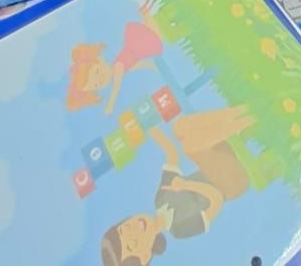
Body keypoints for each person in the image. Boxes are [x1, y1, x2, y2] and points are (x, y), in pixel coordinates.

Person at [100, 107, 256, 263]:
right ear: (145, 256)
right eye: (132, 244)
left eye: (125, 228)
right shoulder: (179, 229)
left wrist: (149, 128)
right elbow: (217, 201)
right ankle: (250, 119)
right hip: (231, 183)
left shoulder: (159, 200)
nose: (134, 230)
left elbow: (172, 154)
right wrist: (185, 185)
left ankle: (240, 111)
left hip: (217, 160)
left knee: (179, 127)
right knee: (190, 145)